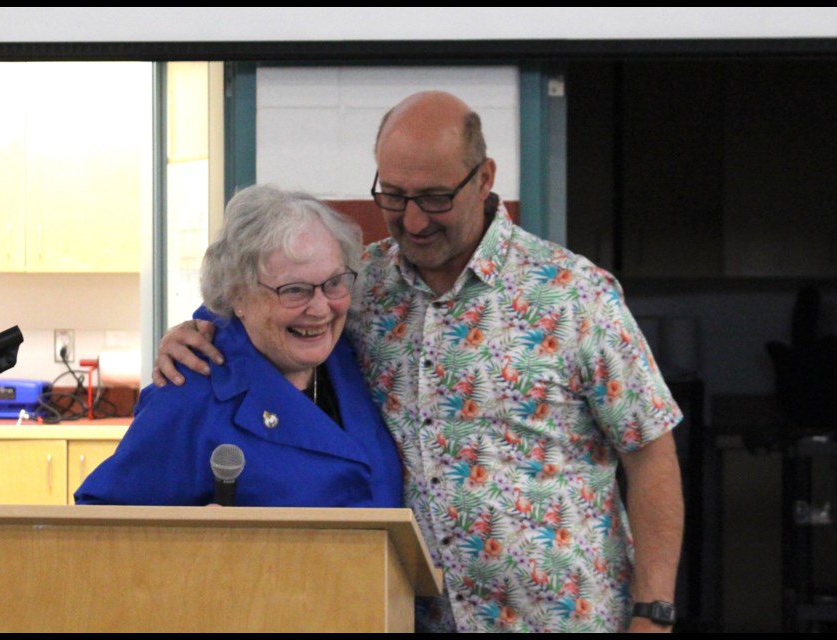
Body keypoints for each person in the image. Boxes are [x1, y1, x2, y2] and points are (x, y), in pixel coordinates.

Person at [152, 91, 684, 633]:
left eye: (434, 198)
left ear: (483, 179)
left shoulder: (573, 295)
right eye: (393, 195)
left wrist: (654, 613)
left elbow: (651, 452)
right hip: (414, 619)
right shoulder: (360, 286)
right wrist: (191, 332)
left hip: (565, 619)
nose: (413, 220)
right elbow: (264, 309)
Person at [75, 184, 402, 508]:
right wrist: (197, 546)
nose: (319, 308)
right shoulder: (189, 394)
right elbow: (102, 526)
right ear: (237, 294)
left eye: (333, 283)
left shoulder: (348, 356)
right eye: (294, 290)